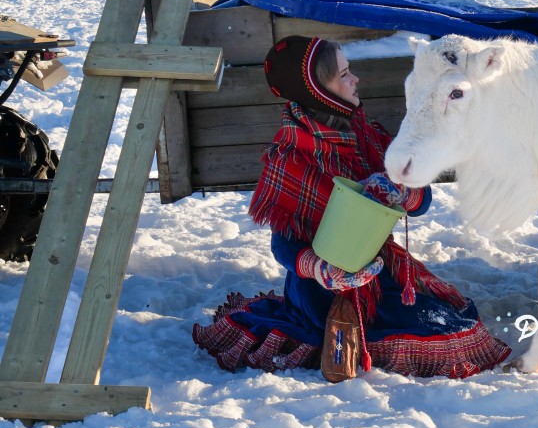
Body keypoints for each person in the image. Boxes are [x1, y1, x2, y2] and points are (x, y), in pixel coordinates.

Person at [193, 35, 511, 378]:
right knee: (431, 334)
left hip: (379, 273)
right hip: (319, 292)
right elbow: (283, 245)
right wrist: (320, 269)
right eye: (343, 74)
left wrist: (399, 192)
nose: (355, 79)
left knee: (453, 323)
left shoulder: (370, 138)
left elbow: (422, 203)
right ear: (317, 88)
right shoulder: (289, 159)